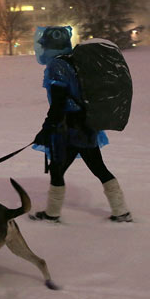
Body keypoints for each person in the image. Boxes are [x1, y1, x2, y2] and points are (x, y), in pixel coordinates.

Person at [30, 26, 132, 223]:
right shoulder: (74, 61)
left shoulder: (56, 66)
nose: (42, 48)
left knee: (60, 169)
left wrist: (46, 128)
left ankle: (52, 214)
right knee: (95, 167)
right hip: (87, 123)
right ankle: (121, 211)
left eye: (44, 45)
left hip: (70, 127)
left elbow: (59, 103)